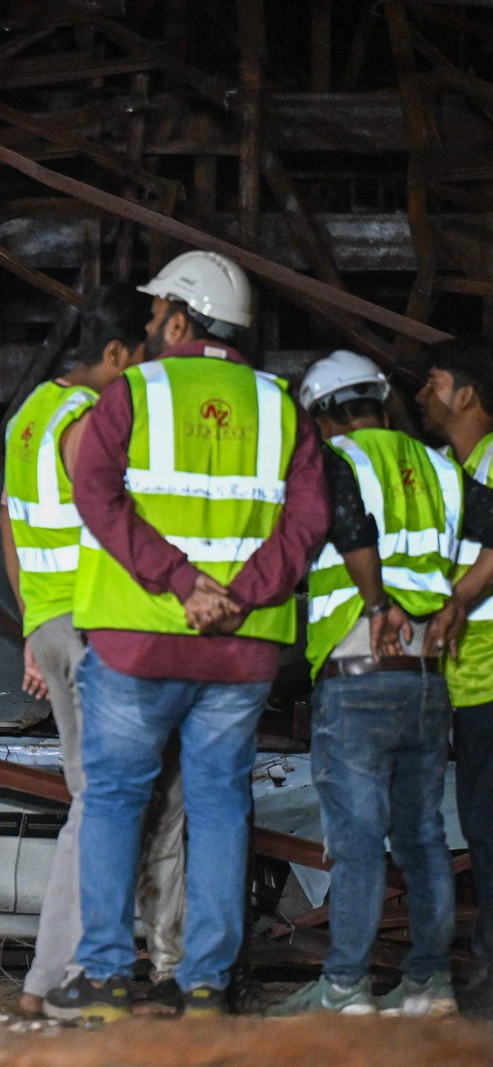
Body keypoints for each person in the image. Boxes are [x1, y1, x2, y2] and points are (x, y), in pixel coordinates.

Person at [44, 251, 330, 1022]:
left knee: (113, 802)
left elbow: (94, 492)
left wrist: (178, 582)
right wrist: (240, 594)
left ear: (180, 319)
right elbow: (309, 520)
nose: (146, 326)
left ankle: (104, 978)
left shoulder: (133, 393)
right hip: (241, 652)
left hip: (138, 640)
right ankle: (204, 983)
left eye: (155, 312)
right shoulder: (282, 407)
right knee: (218, 807)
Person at [269, 350, 493, 1017]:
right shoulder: (440, 468)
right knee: (422, 831)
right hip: (427, 676)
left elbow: (349, 527)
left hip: (357, 666)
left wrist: (371, 602)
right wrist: (455, 602)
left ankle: (345, 987)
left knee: (358, 833)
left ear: (324, 413)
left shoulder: (339, 462)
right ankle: (428, 983)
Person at [0, 285, 186, 1018]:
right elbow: (109, 514)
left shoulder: (29, 414)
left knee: (97, 802)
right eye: (139, 359)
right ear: (115, 355)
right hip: (92, 625)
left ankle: (50, 981)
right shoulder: (87, 418)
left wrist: (29, 628)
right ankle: (70, 980)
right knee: (112, 806)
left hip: (51, 623)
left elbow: (9, 528)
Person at [416, 336, 493, 1012]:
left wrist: (455, 602)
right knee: (481, 821)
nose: (421, 393)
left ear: (467, 393)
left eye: (433, 380)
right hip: (469, 678)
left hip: (490, 672)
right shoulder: (446, 469)